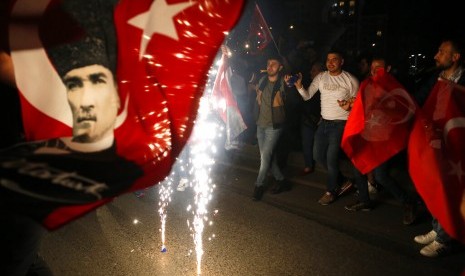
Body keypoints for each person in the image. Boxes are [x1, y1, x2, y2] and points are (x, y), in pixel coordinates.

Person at [343, 57, 419, 225]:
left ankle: (408, 202)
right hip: (368, 135)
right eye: (372, 67)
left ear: (389, 68)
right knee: (358, 167)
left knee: (381, 176)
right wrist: (351, 106)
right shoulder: (367, 83)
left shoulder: (395, 86)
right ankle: (365, 201)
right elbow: (363, 106)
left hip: (383, 139)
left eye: (379, 67)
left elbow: (404, 109)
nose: (374, 70)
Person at [413, 38, 465, 257]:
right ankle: (438, 229)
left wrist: (455, 90)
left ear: (455, 57)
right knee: (434, 183)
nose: (436, 56)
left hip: (457, 145)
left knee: (449, 187)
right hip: (435, 141)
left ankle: (445, 239)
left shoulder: (462, 79)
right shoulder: (434, 78)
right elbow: (417, 100)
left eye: (442, 52)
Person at [287, 49, 359, 205]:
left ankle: (331, 191)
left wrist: (349, 108)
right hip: (324, 124)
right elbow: (307, 96)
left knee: (331, 159)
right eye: (328, 60)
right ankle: (344, 180)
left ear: (341, 61)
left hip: (340, 124)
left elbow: (357, 105)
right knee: (317, 156)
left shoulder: (350, 80)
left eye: (334, 59)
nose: (330, 62)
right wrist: (299, 86)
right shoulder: (321, 77)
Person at [252, 54, 291, 201]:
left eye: (274, 64)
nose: (270, 66)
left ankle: (259, 185)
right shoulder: (262, 80)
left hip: (274, 127)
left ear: (280, 67)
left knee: (265, 156)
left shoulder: (282, 83)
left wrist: (290, 84)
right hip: (260, 124)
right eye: (268, 63)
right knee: (268, 157)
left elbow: (290, 91)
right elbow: (257, 96)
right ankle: (282, 181)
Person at [299, 61, 322, 174]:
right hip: (307, 120)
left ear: (321, 72)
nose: (310, 72)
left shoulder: (326, 87)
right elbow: (304, 99)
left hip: (322, 121)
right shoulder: (309, 84)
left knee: (319, 146)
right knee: (306, 143)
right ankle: (308, 164)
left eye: (314, 70)